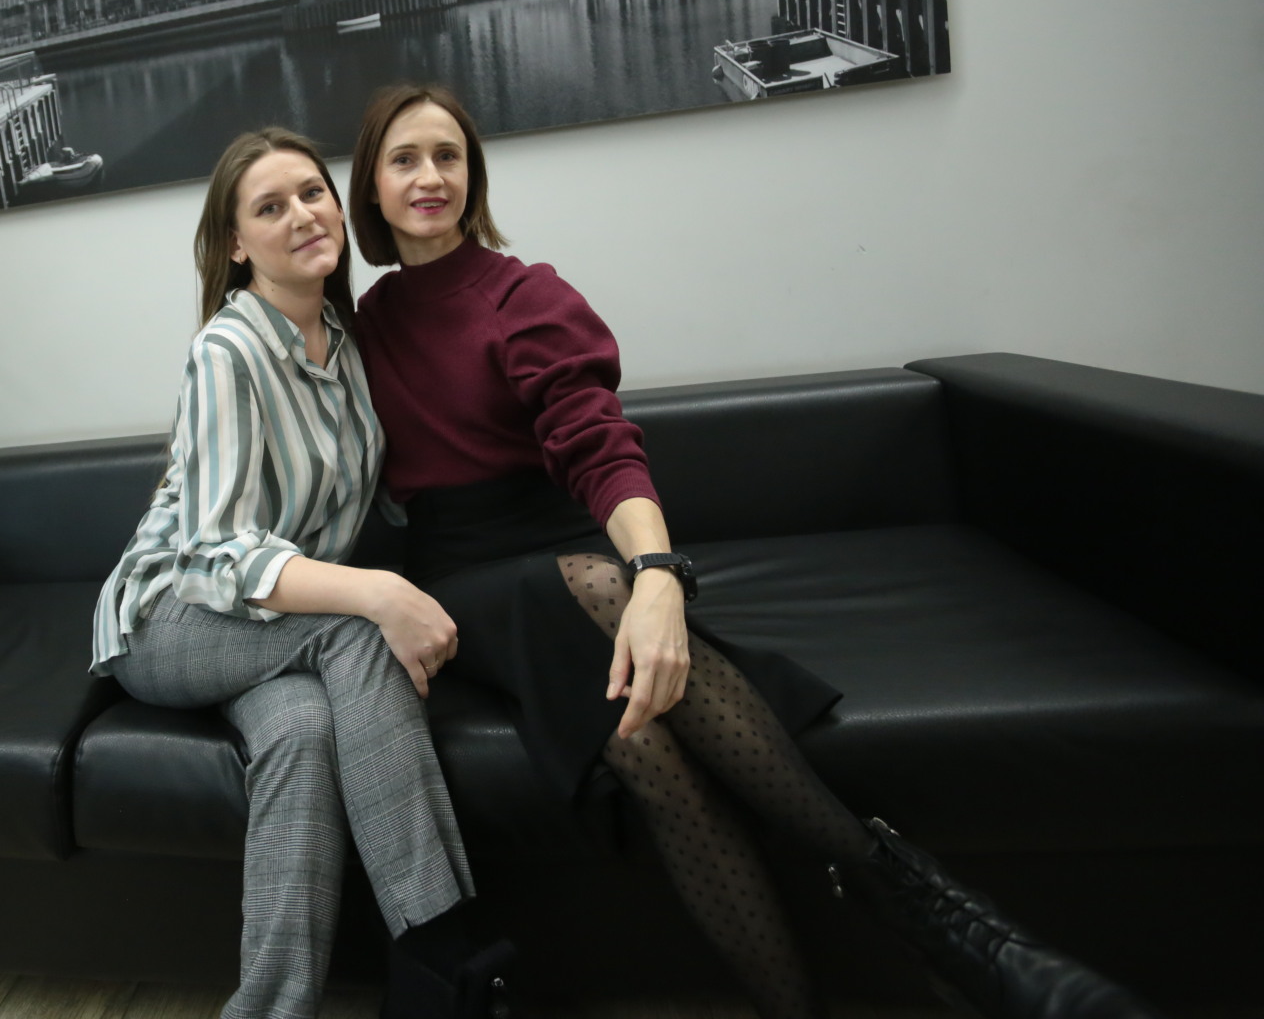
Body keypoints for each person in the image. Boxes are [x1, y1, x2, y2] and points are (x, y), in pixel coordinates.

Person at [345, 83, 1157, 1019]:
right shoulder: (361, 332)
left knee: (654, 759)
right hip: (464, 582)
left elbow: (598, 444)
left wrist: (656, 577)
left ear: (473, 175)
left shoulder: (526, 294)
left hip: (571, 554)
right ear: (372, 186)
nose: (431, 176)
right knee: (591, 595)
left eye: (448, 155)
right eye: (405, 159)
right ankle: (950, 922)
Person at [90, 127, 486, 1019]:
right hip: (170, 616)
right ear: (237, 243)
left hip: (268, 630)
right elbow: (216, 551)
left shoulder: (346, 344)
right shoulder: (228, 349)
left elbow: (376, 498)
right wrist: (378, 593)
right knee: (358, 636)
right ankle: (444, 960)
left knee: (303, 731)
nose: (304, 215)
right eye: (270, 207)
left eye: (312, 193)